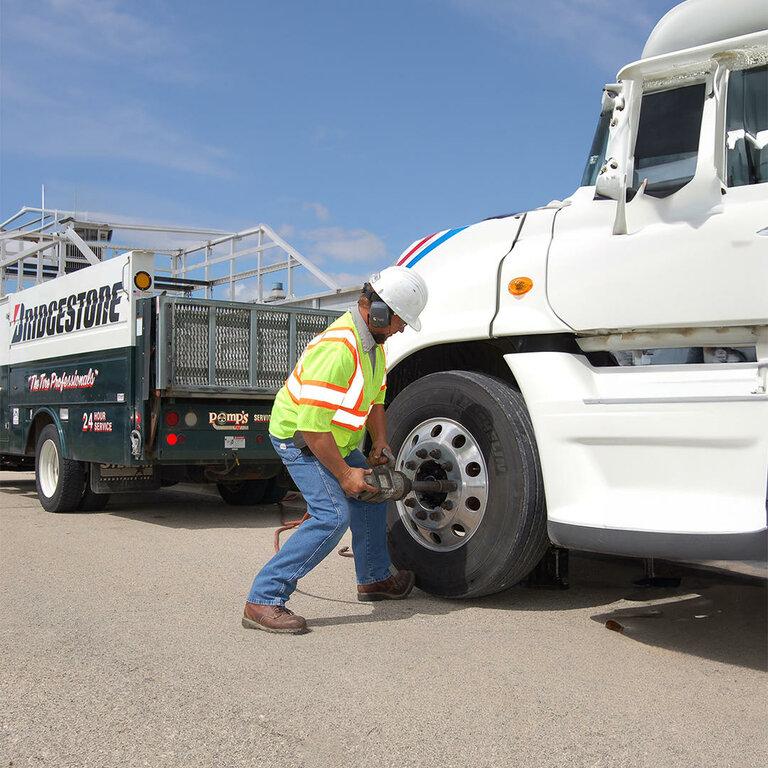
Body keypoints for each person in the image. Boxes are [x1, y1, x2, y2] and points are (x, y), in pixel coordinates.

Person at [243, 266, 429, 634]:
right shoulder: (338, 348)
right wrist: (345, 476)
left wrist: (379, 442)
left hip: (335, 440)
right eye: (401, 320)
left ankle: (373, 579)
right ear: (378, 312)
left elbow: (376, 402)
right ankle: (263, 599)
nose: (403, 329)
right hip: (301, 439)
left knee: (373, 492)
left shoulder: (373, 349)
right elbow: (312, 429)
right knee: (331, 516)